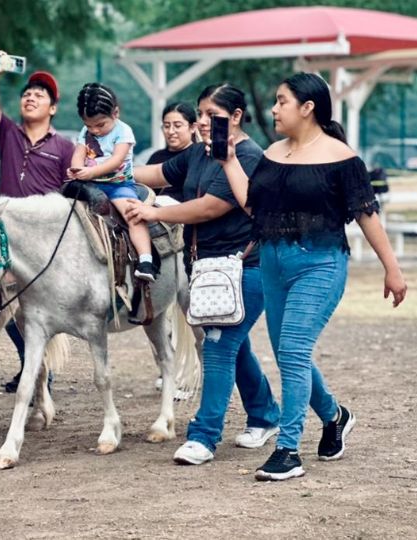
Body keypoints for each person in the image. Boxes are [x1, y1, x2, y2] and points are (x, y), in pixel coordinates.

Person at [221, 72, 407, 481]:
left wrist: (391, 268)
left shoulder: (342, 157)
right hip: (272, 263)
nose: (273, 108)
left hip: (320, 264)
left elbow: (366, 213)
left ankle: (288, 450)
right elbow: (254, 206)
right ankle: (335, 415)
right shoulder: (272, 152)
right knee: (292, 355)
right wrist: (229, 161)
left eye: (281, 101)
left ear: (308, 108)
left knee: (290, 351)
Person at [126, 84, 281, 465]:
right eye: (201, 114)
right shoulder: (199, 151)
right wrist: (110, 170)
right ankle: (266, 414)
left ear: (237, 117)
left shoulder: (246, 155)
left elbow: (210, 207)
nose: (202, 122)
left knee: (216, 344)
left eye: (212, 114)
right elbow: (160, 172)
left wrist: (154, 214)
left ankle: (204, 435)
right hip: (209, 268)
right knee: (234, 342)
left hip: (246, 266)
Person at [0, 49, 75, 392]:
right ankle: (32, 367)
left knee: (40, 310)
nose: (31, 97)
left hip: (45, 243)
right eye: (27, 94)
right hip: (6, 239)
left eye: (40, 95)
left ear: (52, 108)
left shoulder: (65, 147)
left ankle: (38, 372)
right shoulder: (7, 133)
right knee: (2, 305)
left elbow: (72, 191)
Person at [67, 82, 155, 281]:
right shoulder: (85, 131)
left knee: (133, 215)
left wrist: (90, 172)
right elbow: (78, 153)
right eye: (89, 126)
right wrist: (76, 169)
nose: (94, 131)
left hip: (117, 185)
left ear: (115, 113)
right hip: (89, 185)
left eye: (100, 125)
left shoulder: (123, 132)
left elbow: (116, 161)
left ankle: (145, 260)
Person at [147, 102, 198, 167]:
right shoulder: (156, 158)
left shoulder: (199, 156)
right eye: (167, 126)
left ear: (192, 127)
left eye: (177, 126)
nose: (171, 131)